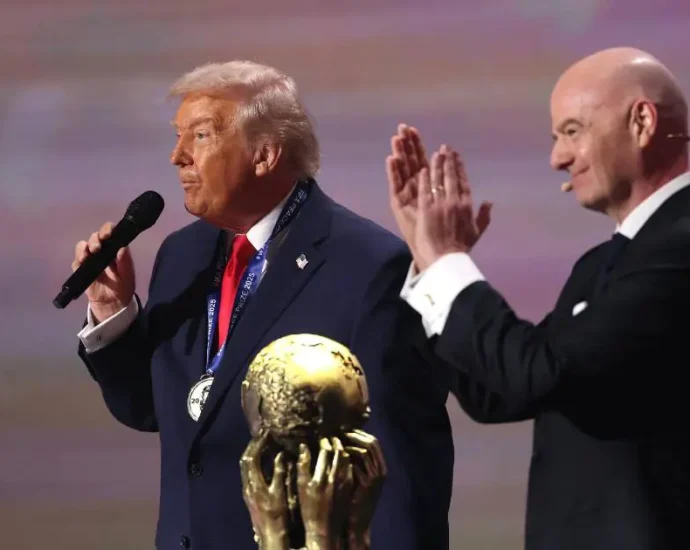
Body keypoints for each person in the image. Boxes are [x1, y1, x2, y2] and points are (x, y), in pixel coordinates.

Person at [72, 61, 453, 550]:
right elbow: (161, 411)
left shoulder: (369, 267)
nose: (177, 156)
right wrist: (114, 315)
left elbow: (400, 470)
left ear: (265, 154)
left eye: (200, 135)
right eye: (178, 136)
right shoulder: (182, 255)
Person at [387, 47, 690, 550]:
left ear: (642, 122)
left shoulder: (680, 244)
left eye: (573, 131)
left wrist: (447, 262)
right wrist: (429, 257)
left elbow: (539, 371)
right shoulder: (603, 264)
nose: (558, 159)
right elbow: (499, 393)